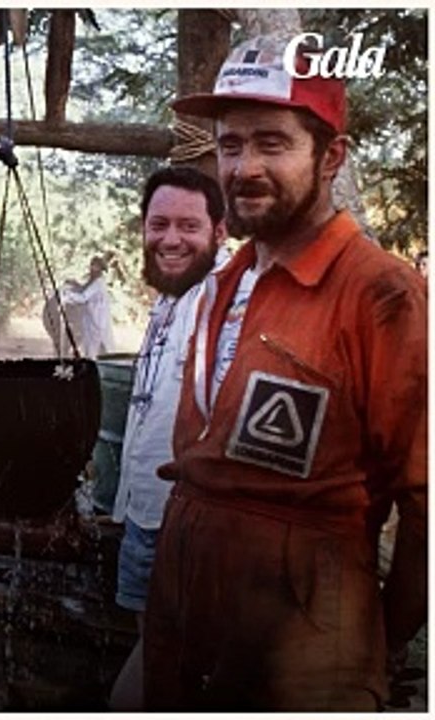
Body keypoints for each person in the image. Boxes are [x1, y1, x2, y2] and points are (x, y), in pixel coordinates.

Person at [145, 35, 427, 710]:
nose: (242, 167)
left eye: (272, 143)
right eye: (230, 144)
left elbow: (426, 499)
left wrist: (371, 638)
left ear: (331, 156)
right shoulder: (224, 282)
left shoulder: (380, 293)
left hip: (306, 634)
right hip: (185, 609)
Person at [106, 166, 229, 709]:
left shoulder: (228, 300)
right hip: (143, 511)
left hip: (189, 526)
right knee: (154, 659)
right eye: (159, 224)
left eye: (188, 225)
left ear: (220, 231)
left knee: (173, 675)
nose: (170, 239)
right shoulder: (167, 298)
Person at [47, 255, 116, 358]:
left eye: (95, 267)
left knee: (94, 350)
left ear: (100, 269)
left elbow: (83, 297)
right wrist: (74, 284)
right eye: (91, 265)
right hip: (91, 321)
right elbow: (84, 289)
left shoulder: (98, 283)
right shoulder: (93, 281)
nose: (92, 268)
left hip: (97, 322)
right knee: (89, 348)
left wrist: (66, 295)